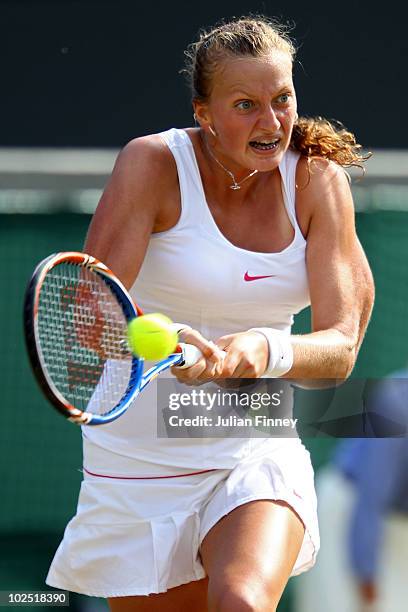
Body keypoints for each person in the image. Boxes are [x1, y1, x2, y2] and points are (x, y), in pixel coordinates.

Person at [45, 15, 375, 612]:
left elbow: (340, 351)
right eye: (246, 104)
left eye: (282, 99)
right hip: (138, 455)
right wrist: (163, 341)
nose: (271, 123)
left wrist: (263, 348)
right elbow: (87, 320)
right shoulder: (151, 164)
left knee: (241, 601)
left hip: (254, 441)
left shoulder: (318, 181)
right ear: (204, 113)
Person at [293, 371, 408, 612]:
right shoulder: (400, 399)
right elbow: (370, 497)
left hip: (397, 527)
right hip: (346, 511)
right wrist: (367, 574)